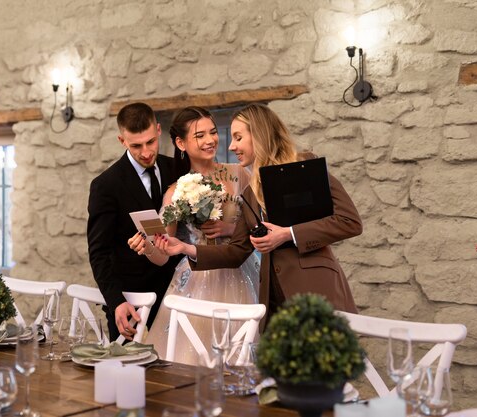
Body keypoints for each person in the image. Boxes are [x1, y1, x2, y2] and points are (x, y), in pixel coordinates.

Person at [155, 103, 361, 330]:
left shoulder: (302, 164)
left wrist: (286, 234)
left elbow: (348, 221)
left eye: (238, 137)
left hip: (314, 290)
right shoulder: (250, 192)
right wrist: (184, 248)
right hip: (272, 299)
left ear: (258, 135)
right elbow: (236, 251)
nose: (231, 146)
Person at [127, 106, 259, 365]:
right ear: (180, 142)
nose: (210, 140)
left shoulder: (239, 174)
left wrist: (232, 230)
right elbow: (164, 254)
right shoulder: (176, 190)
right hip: (196, 280)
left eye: (212, 132)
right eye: (200, 135)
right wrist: (147, 247)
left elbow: (262, 224)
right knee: (189, 358)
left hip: (241, 270)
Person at [87, 102, 180, 341]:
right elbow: (99, 252)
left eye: (150, 142)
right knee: (126, 375)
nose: (146, 152)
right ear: (122, 141)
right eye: (136, 146)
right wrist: (116, 301)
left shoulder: (177, 169)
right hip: (130, 300)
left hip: (176, 295)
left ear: (158, 130)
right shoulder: (106, 185)